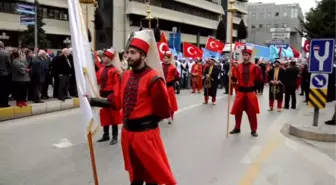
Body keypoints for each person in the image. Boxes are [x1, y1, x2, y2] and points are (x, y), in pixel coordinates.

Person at [89, 30, 176, 185]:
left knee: (152, 174)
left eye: (133, 53)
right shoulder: (124, 76)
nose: (128, 56)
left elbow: (163, 110)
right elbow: (115, 102)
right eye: (128, 52)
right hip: (128, 135)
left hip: (146, 135)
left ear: (143, 55)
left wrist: (145, 121)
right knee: (135, 175)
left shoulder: (154, 79)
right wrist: (91, 101)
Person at [229, 47, 262, 137]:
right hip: (240, 92)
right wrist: (231, 76)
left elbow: (259, 79)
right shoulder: (238, 67)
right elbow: (235, 79)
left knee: (252, 112)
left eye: (246, 55)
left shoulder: (254, 67)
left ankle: (254, 129)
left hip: (250, 93)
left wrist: (256, 89)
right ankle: (237, 127)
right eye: (243, 55)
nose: (245, 57)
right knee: (238, 111)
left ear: (249, 56)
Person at [96, 48, 123, 145]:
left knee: (113, 116)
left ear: (110, 58)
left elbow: (117, 85)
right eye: (103, 57)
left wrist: (113, 96)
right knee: (104, 115)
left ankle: (115, 136)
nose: (103, 58)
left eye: (105, 57)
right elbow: (97, 81)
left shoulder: (114, 71)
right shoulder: (101, 69)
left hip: (111, 95)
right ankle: (106, 134)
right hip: (102, 95)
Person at [162, 51, 179, 124]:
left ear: (169, 59)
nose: (165, 59)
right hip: (161, 87)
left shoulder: (172, 67)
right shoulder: (160, 66)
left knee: (171, 103)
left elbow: (177, 76)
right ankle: (161, 116)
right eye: (164, 58)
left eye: (166, 58)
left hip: (169, 87)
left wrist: (175, 81)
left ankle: (170, 116)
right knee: (161, 102)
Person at [0, 41, 11, 107]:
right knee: (4, 90)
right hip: (4, 74)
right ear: (3, 46)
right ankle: (4, 103)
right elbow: (9, 63)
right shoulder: (5, 53)